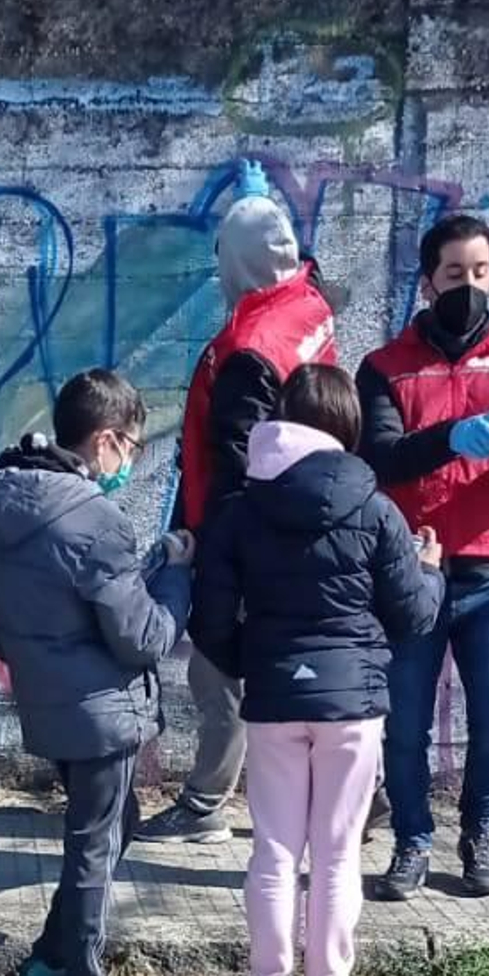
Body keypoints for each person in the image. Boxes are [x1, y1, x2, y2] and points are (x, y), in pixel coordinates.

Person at [191, 364, 442, 976]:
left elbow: (209, 617)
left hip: (275, 700)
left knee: (274, 849)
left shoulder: (244, 505)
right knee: (335, 852)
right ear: (348, 427)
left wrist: (260, 665)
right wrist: (432, 570)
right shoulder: (375, 507)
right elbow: (415, 616)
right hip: (354, 707)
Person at [0, 369, 192, 976]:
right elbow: (143, 637)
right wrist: (178, 576)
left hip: (48, 699)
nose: (130, 460)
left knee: (111, 824)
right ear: (102, 441)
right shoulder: (97, 519)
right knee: (95, 846)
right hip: (103, 709)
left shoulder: (2, 498)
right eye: (130, 445)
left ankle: (48, 958)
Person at [359, 211, 489, 900]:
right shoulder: (385, 367)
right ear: (427, 283)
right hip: (415, 570)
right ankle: (412, 839)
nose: (471, 285)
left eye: (481, 272)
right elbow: (381, 458)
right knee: (406, 723)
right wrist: (450, 438)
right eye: (456, 273)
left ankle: (481, 828)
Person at [140, 165, 337, 847]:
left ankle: (204, 805)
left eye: (223, 253)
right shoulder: (307, 305)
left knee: (215, 669)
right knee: (299, 664)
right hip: (304, 530)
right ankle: (355, 792)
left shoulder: (250, 350)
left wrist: (206, 552)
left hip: (246, 540)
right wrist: (260, 203)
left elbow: (236, 467)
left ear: (240, 262)